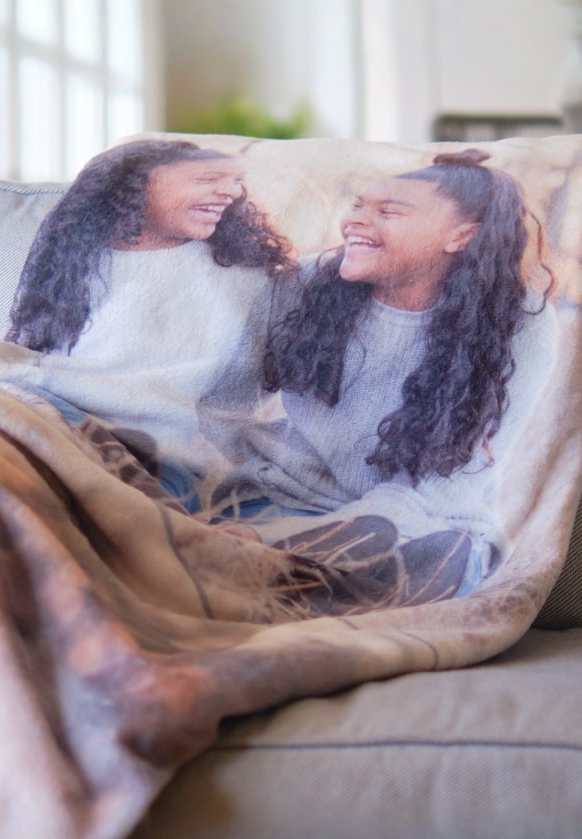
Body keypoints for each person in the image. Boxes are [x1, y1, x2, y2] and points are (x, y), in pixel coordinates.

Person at [210, 149, 557, 596]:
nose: (355, 221)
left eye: (388, 212)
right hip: (281, 502)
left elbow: (447, 488)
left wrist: (279, 542)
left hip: (422, 524)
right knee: (383, 565)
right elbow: (222, 400)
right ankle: (290, 579)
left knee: (443, 558)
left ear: (461, 235)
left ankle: (273, 575)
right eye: (358, 206)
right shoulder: (305, 283)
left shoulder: (520, 320)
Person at [0, 139, 296, 505]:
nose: (231, 191)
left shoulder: (249, 274)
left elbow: (239, 402)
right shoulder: (77, 262)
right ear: (137, 185)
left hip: (167, 461)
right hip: (56, 420)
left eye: (234, 181)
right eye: (207, 179)